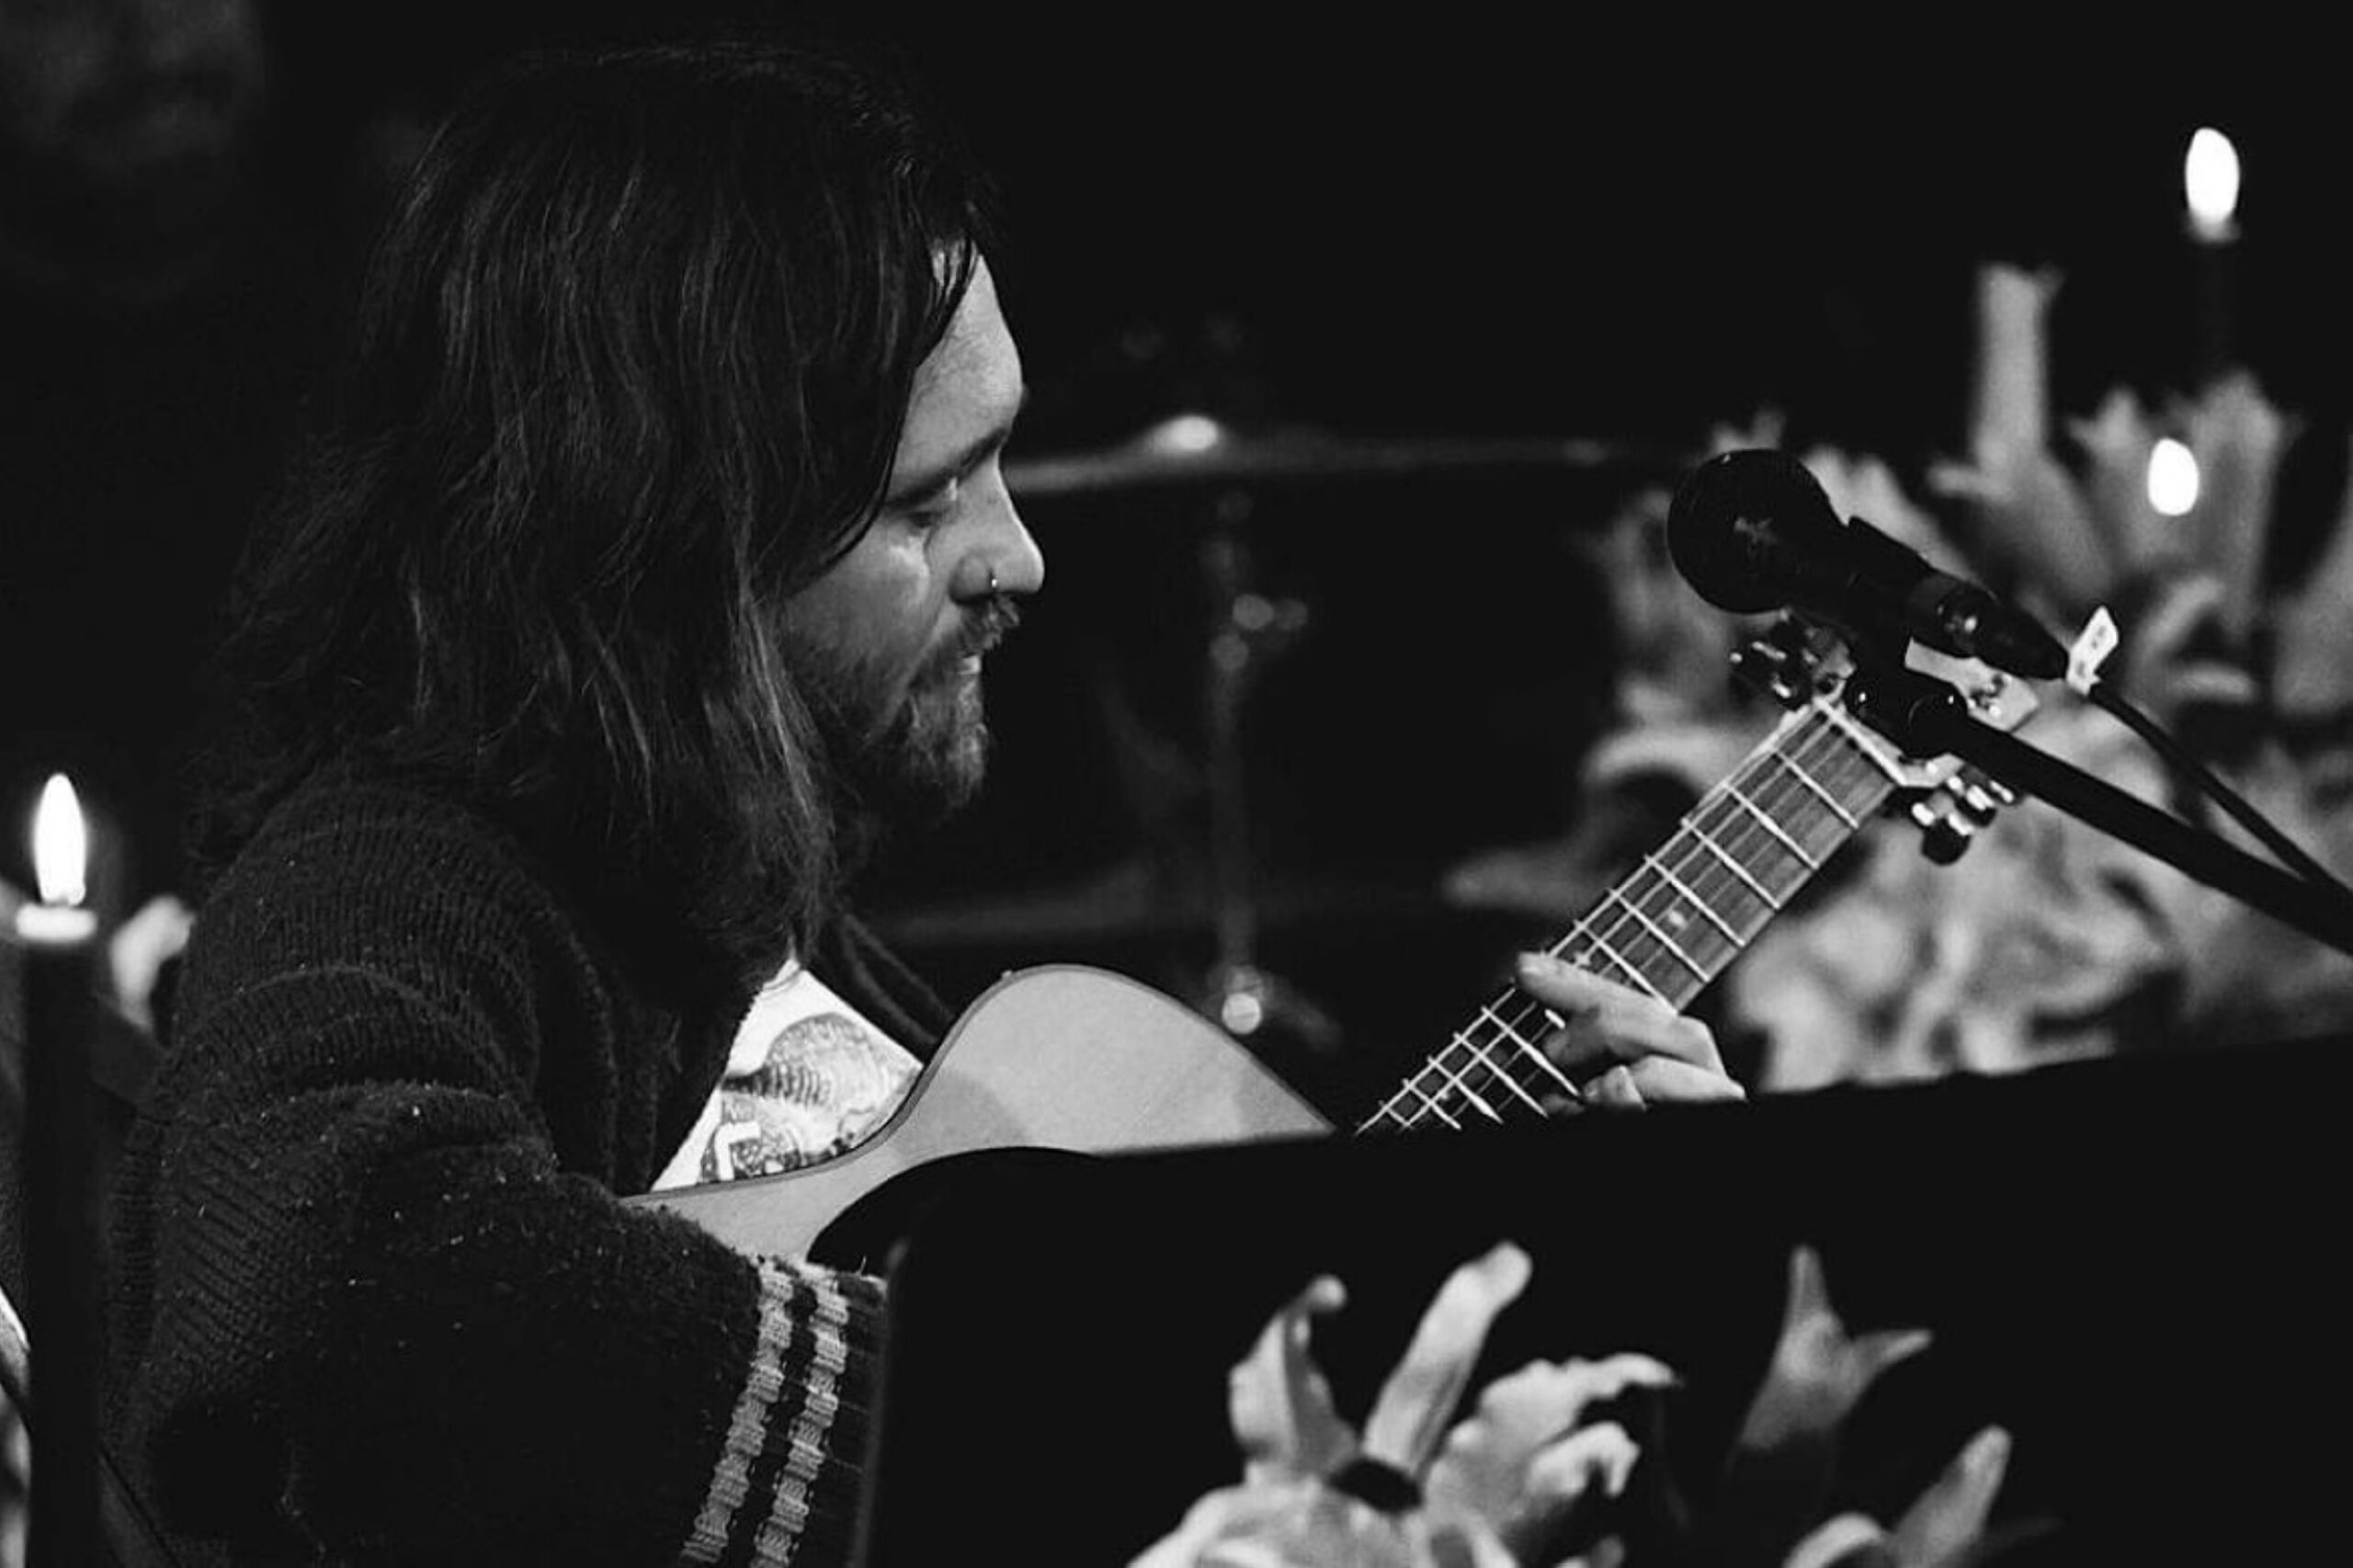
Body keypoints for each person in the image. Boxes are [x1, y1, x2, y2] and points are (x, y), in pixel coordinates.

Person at [99, 32, 1743, 1566]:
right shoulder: (390, 869)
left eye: (999, 462)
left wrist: (1546, 1245)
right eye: (925, 499)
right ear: (668, 541)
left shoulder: (743, 916)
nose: (1018, 554)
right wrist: (1040, 1411)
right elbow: (326, 1275)